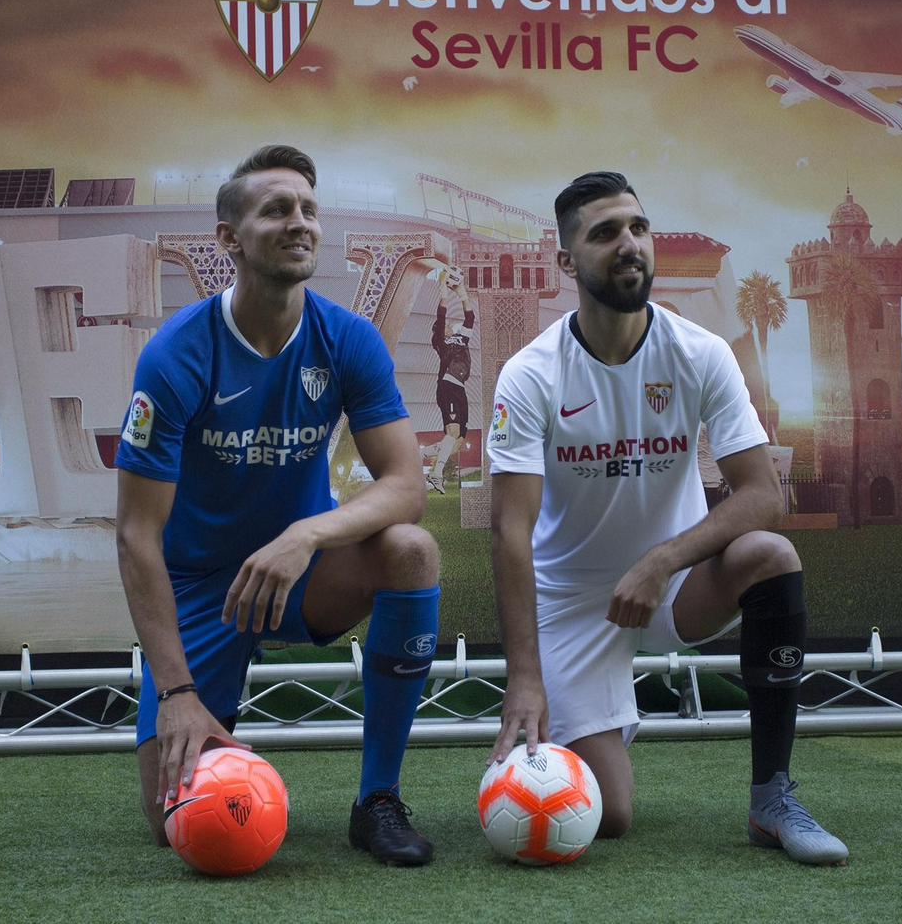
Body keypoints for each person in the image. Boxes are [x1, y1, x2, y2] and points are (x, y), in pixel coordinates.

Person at [486, 171, 847, 866]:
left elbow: (762, 495)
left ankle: (772, 799)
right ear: (566, 261)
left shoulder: (699, 352)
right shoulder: (531, 374)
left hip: (675, 585)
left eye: (638, 227)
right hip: (573, 603)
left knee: (771, 554)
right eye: (605, 233)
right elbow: (510, 531)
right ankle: (595, 711)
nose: (629, 244)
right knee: (608, 816)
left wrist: (662, 560)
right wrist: (523, 677)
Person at [115, 145, 440, 866]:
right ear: (228, 238)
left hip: (302, 573)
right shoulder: (175, 354)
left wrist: (306, 534)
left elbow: (406, 487)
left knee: (411, 551)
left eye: (309, 210)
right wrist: (175, 691)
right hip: (202, 588)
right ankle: (212, 731)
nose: (301, 223)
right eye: (277, 210)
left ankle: (378, 800)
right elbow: (136, 535)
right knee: (169, 821)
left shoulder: (347, 338)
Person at [422, 268, 475, 494]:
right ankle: (436, 474)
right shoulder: (441, 342)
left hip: (460, 388)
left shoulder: (461, 338)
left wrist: (462, 294)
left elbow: (470, 318)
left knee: (458, 442)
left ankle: (418, 455)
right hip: (447, 385)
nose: (446, 324)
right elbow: (441, 316)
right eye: (442, 325)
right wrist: (443, 292)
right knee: (452, 433)